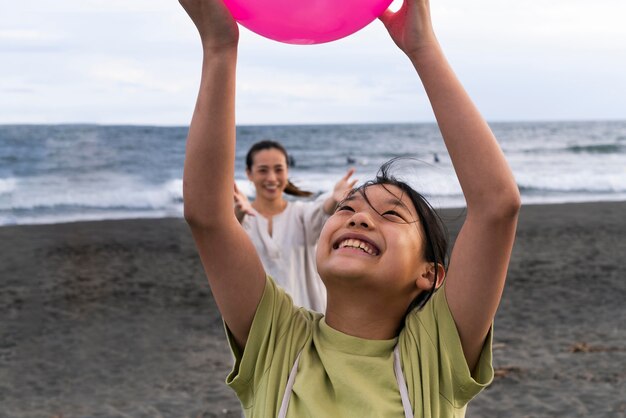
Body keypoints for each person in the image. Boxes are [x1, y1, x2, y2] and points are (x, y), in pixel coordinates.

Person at [180, 0, 521, 416]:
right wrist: (218, 46)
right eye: (346, 208)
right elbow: (209, 217)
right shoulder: (278, 343)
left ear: (429, 274)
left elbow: (496, 206)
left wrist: (423, 48)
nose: (359, 216)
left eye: (391, 214)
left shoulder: (433, 356)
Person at [233, 139, 357, 312]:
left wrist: (335, 199)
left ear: (287, 171)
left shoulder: (301, 214)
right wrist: (238, 213)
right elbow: (225, 239)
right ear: (249, 173)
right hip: (261, 325)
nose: (271, 178)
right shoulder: (242, 221)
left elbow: (322, 212)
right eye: (263, 170)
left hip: (307, 320)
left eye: (278, 169)